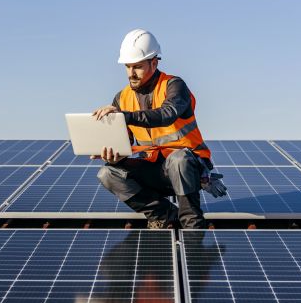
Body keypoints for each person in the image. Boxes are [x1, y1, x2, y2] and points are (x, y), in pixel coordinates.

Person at [92, 29, 227, 229]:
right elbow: (125, 145)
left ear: (154, 63)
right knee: (107, 173)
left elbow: (167, 114)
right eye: (128, 67)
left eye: (137, 66)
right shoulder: (121, 98)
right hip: (155, 170)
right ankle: (164, 214)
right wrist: (114, 156)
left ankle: (191, 223)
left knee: (179, 159)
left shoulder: (174, 86)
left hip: (188, 167)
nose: (131, 73)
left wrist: (125, 116)